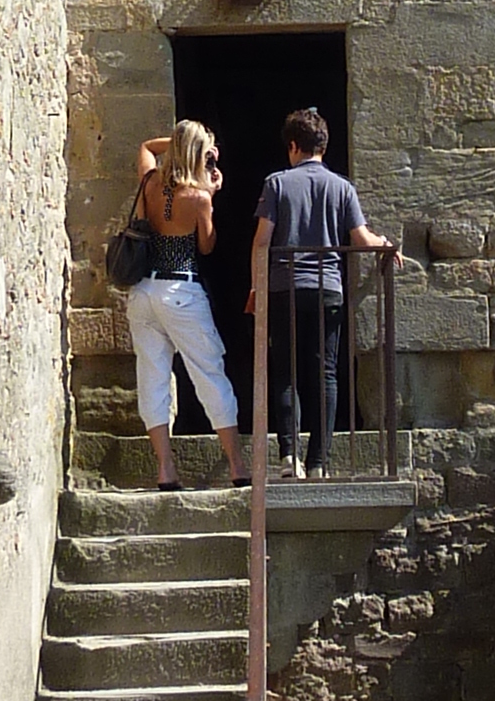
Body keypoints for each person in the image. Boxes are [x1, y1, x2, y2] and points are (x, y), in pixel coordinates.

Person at [248, 106, 397, 477]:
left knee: (285, 373)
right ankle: (319, 462)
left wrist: (257, 287)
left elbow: (261, 243)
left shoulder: (277, 183)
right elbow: (361, 240)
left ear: (294, 146)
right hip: (328, 289)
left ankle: (288, 458)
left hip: (285, 288)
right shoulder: (342, 187)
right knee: (325, 374)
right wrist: (387, 245)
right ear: (323, 147)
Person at [123, 121, 243, 491]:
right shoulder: (200, 197)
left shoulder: (149, 183)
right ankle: (238, 466)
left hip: (144, 291)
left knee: (153, 378)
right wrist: (210, 188)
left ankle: (166, 470)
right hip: (181, 290)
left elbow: (145, 144)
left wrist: (181, 144)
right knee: (209, 373)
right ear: (200, 155)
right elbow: (206, 245)